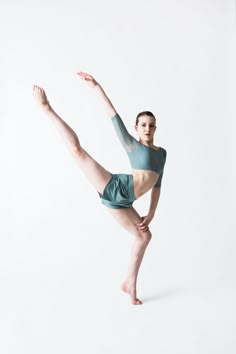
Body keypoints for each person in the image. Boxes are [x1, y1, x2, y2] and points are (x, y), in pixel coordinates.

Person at [32, 72, 167, 305]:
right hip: (115, 187)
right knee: (78, 152)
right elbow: (114, 117)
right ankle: (47, 109)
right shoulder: (133, 146)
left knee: (144, 237)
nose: (147, 128)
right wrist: (96, 87)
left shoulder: (161, 154)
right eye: (143, 125)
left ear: (155, 128)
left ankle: (129, 284)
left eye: (151, 125)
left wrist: (152, 212)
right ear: (136, 128)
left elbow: (157, 184)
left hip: (125, 202)